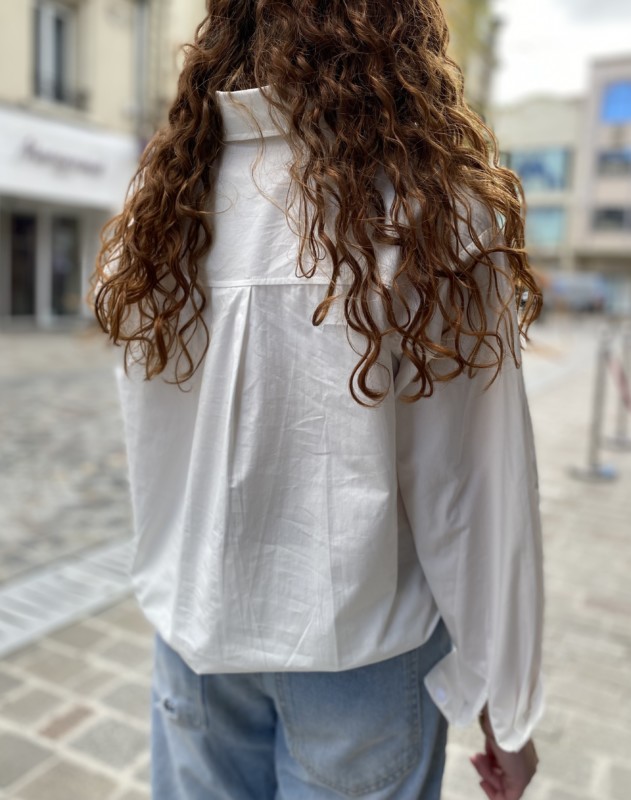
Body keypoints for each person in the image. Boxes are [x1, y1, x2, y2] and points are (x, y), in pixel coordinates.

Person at [92, 1, 544, 798]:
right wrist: (508, 710)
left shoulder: (161, 210)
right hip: (360, 655)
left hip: (197, 640)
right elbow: (473, 491)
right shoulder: (430, 213)